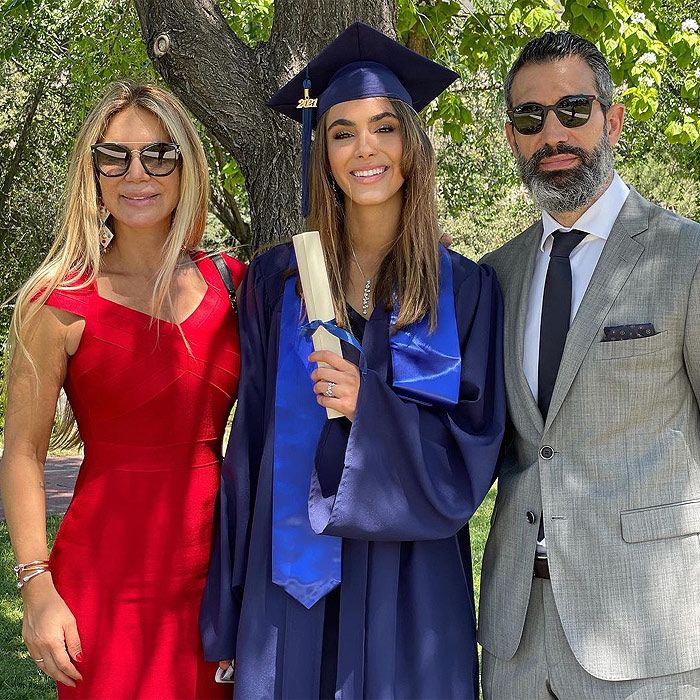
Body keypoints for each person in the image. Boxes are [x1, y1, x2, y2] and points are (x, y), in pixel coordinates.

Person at [199, 22, 505, 699]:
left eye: (384, 128)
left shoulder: (464, 288)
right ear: (322, 151)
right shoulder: (277, 281)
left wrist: (371, 408)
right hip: (293, 585)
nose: (365, 149)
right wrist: (229, 611)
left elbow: (472, 451)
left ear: (412, 146)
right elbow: (248, 448)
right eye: (342, 132)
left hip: (412, 582)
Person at [0, 81, 245, 698]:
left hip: (220, 579)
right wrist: (36, 588)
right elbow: (23, 455)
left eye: (159, 154)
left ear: (187, 165)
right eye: (115, 156)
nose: (137, 173)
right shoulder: (56, 302)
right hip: (104, 583)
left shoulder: (234, 284)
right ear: (93, 171)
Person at [479, 30, 700, 698]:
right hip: (518, 635)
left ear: (614, 119)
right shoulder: (498, 275)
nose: (553, 134)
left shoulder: (684, 258)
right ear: (514, 138)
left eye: (573, 111)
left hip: (647, 632)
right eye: (530, 118)